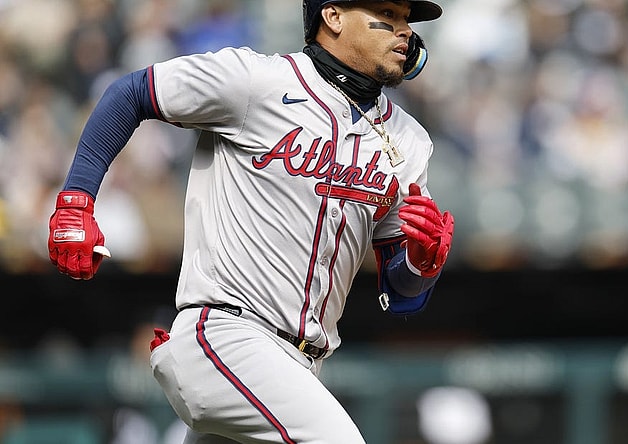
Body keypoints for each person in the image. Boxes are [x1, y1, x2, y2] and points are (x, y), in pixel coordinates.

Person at [46, 0, 454, 443]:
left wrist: (420, 265)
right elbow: (131, 93)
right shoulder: (257, 81)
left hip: (297, 366)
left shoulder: (409, 142)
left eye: (406, 21)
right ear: (332, 16)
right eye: (388, 15)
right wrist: (76, 200)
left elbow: (402, 298)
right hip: (225, 336)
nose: (405, 32)